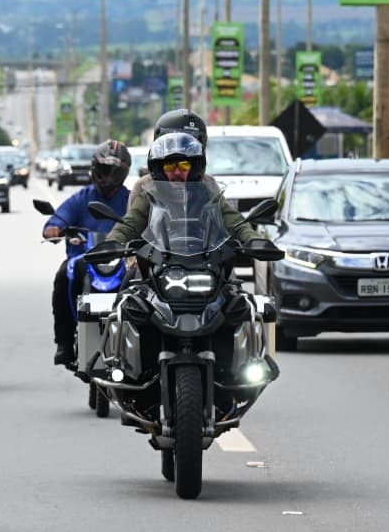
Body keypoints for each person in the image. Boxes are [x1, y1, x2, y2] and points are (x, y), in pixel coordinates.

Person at [42, 139, 132, 365]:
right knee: (63, 276)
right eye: (104, 170)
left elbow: (150, 223)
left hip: (124, 262)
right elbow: (59, 218)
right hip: (85, 261)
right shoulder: (81, 198)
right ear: (94, 169)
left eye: (114, 171)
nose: (108, 177)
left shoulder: (132, 200)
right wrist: (53, 228)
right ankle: (64, 343)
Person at [106, 131, 257, 247]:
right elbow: (130, 223)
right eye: (170, 166)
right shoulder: (151, 194)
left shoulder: (206, 191)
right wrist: (112, 242)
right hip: (158, 262)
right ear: (160, 170)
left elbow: (233, 220)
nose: (177, 172)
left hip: (206, 260)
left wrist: (253, 239)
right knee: (129, 284)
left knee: (233, 285)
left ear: (193, 168)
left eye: (184, 165)